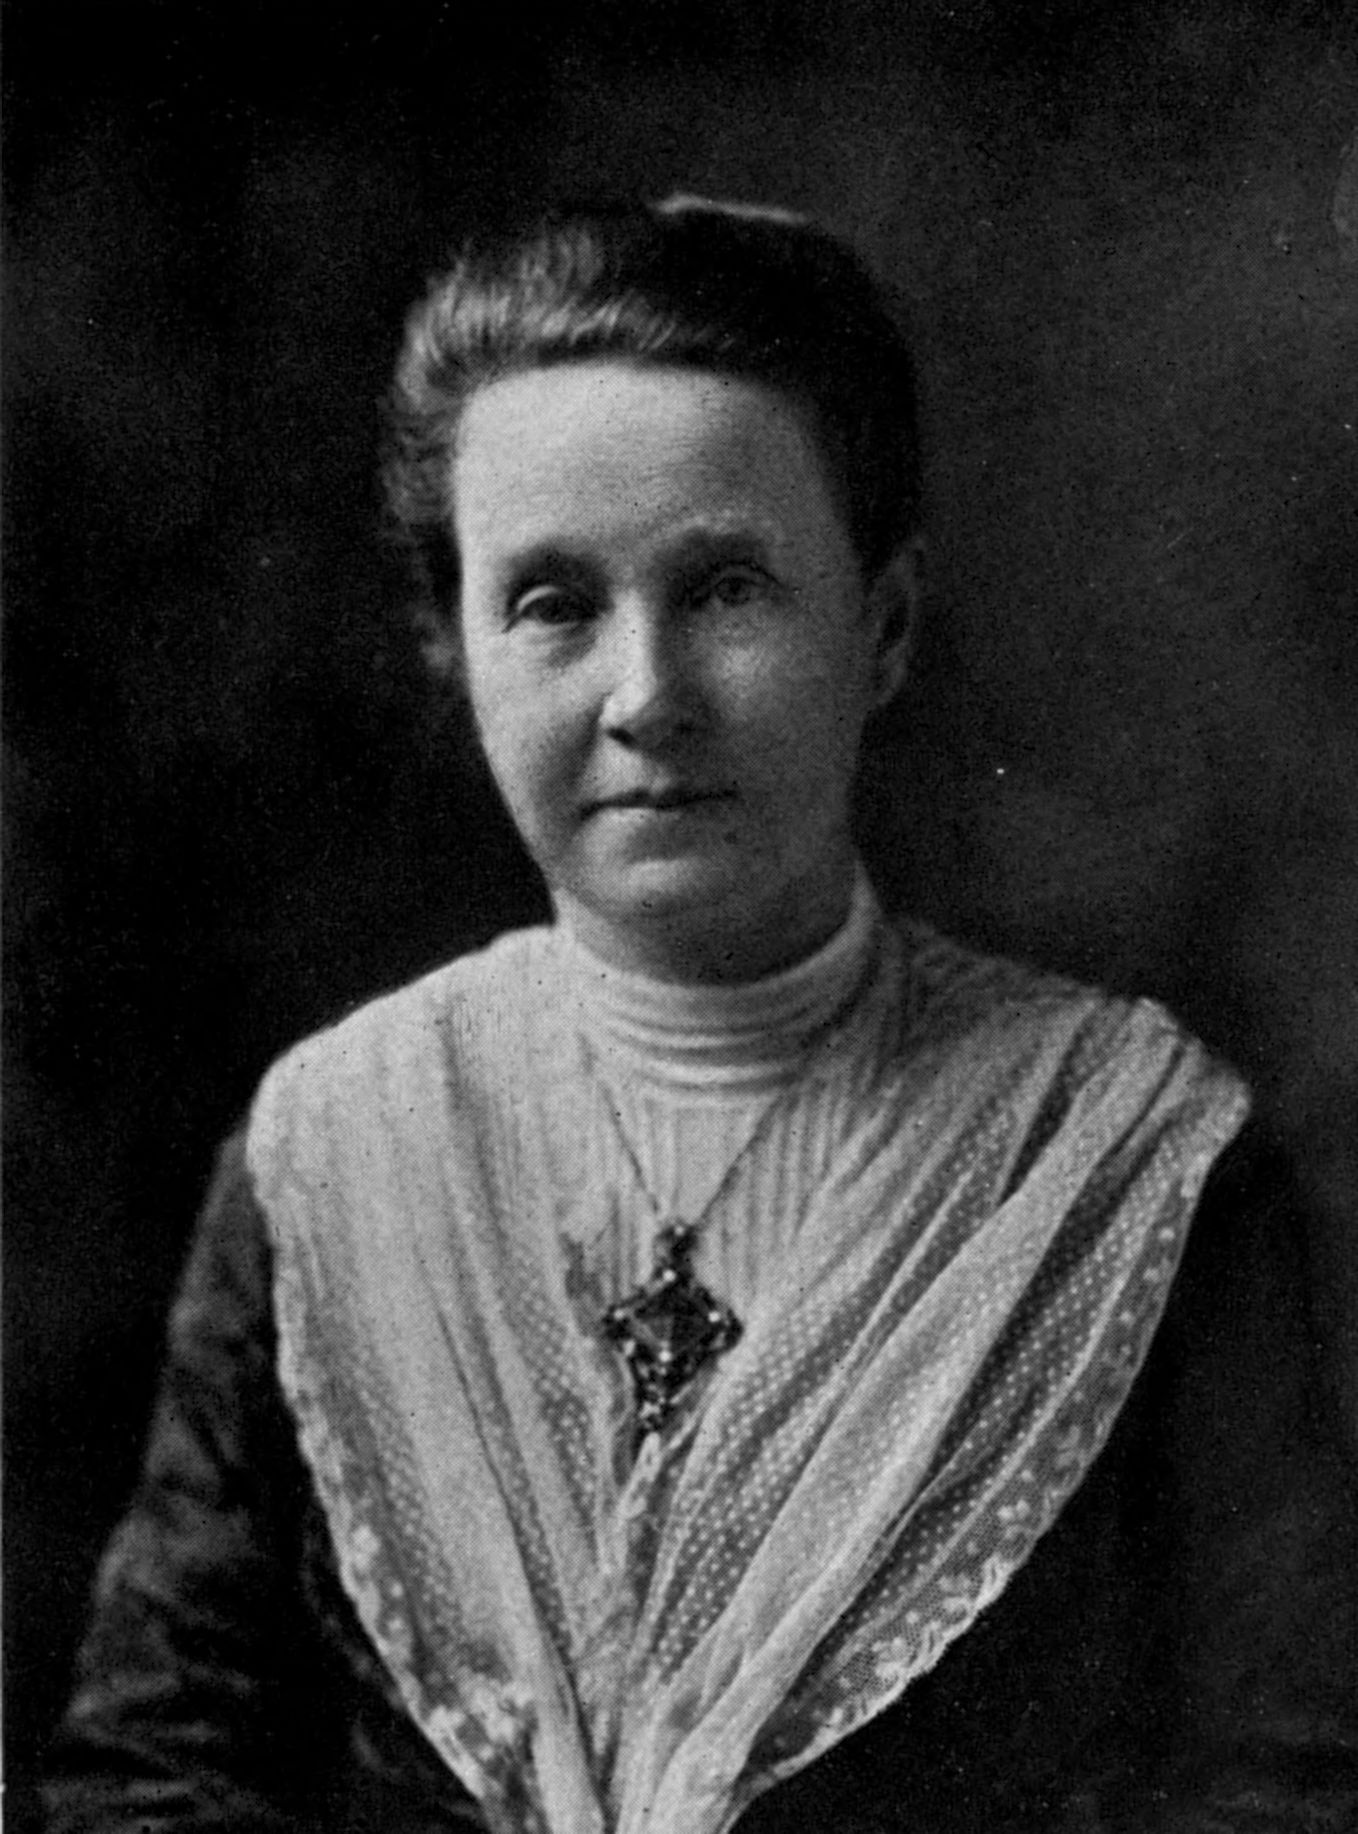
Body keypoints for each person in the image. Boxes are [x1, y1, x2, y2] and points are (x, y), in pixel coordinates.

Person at [45, 197, 1357, 1834]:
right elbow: (145, 1774)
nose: (646, 694)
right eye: (551, 601)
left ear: (881, 628)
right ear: (454, 648)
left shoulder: (1131, 1163)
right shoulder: (330, 1150)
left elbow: (1287, 1793)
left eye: (726, 587)